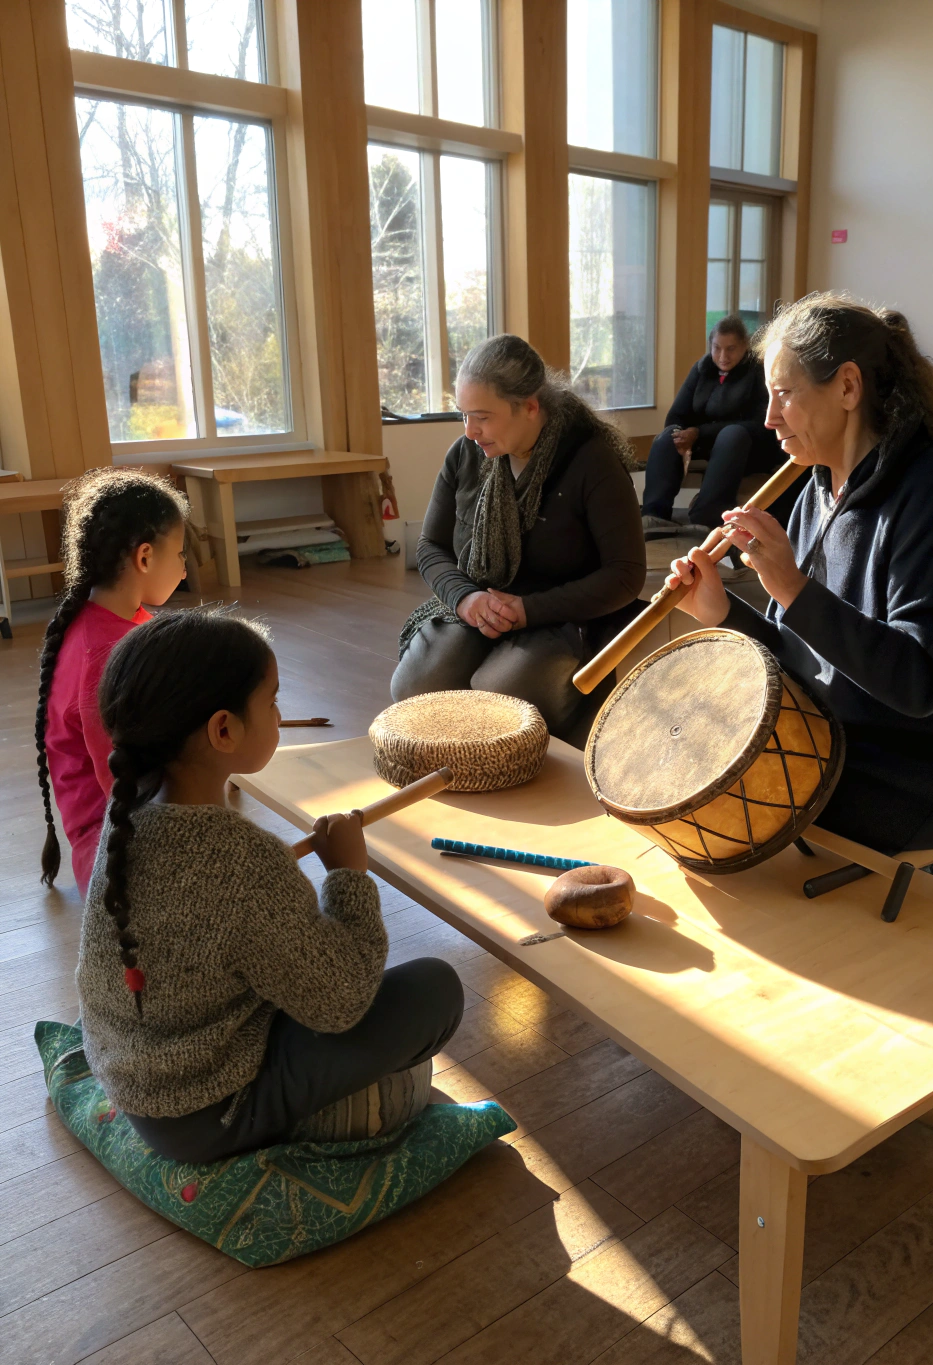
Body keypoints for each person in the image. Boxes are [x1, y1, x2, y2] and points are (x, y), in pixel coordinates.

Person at [76, 607, 464, 1162]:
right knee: (436, 988)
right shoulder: (243, 863)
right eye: (274, 701)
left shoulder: (126, 815)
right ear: (224, 729)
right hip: (207, 1116)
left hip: (136, 1075)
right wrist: (349, 875)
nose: (281, 715)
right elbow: (342, 1000)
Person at [664, 292, 933, 859]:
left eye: (784, 395)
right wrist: (720, 608)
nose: (768, 418)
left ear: (848, 387)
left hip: (913, 778)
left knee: (707, 786)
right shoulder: (818, 489)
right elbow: (794, 659)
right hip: (825, 738)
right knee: (678, 736)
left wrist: (794, 589)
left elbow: (921, 684)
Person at [391, 333, 646, 738]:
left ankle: (583, 728)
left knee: (502, 697)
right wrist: (467, 598)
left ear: (530, 407)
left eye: (483, 416)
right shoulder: (466, 453)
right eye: (463, 414)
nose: (470, 430)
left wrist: (529, 610)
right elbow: (430, 547)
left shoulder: (591, 460)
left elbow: (626, 574)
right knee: (415, 688)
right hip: (481, 608)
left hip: (564, 616)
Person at [37, 468, 190, 897]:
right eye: (179, 553)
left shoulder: (111, 622)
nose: (183, 567)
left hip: (123, 824)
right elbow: (119, 784)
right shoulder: (102, 655)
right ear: (144, 558)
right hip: (113, 847)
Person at [641, 314, 787, 541]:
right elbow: (676, 415)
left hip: (748, 448)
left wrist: (700, 433)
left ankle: (708, 516)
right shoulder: (702, 369)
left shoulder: (758, 371)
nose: (723, 356)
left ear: (745, 347)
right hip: (706, 443)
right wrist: (683, 435)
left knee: (732, 434)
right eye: (717, 348)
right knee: (668, 435)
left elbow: (761, 424)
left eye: (731, 349)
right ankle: (654, 514)